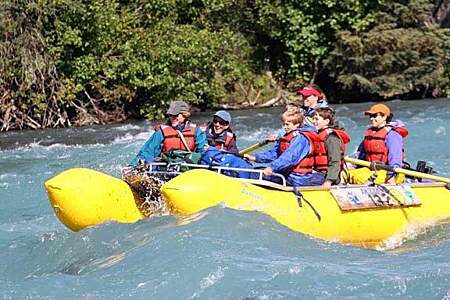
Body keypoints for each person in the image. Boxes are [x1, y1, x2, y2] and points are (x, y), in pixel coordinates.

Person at [244, 110, 326, 186]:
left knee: (258, 175)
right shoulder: (288, 136)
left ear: (297, 124)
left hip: (298, 177)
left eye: (287, 124)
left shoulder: (301, 138)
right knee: (255, 172)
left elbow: (290, 157)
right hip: (287, 173)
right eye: (283, 124)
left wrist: (272, 167)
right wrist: (255, 158)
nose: (284, 127)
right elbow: (276, 153)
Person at [129, 100, 207, 166]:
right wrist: (133, 166)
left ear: (184, 115)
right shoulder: (161, 133)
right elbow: (147, 152)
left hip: (188, 169)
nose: (172, 117)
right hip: (167, 168)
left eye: (175, 115)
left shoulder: (196, 132)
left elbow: (203, 152)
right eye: (170, 115)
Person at [348, 104, 408, 185]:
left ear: (384, 117)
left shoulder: (392, 134)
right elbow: (360, 155)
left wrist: (391, 177)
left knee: (359, 178)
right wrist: (352, 166)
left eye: (375, 116)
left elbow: (395, 158)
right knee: (346, 174)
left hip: (390, 172)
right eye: (370, 116)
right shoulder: (371, 134)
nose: (372, 118)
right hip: (373, 169)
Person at [312, 107, 351, 189]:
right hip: (317, 172)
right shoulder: (318, 134)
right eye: (313, 119)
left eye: (317, 119)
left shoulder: (331, 138)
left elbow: (335, 160)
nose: (313, 121)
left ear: (326, 121)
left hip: (327, 176)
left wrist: (329, 181)